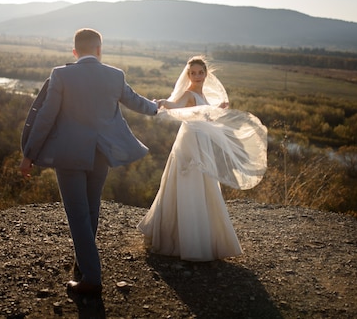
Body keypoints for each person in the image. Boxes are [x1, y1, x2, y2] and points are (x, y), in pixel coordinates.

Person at [20, 28, 159, 295]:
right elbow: (137, 102)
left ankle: (92, 277)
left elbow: (46, 117)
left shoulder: (61, 74)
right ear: (99, 50)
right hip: (102, 154)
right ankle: (85, 261)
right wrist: (157, 106)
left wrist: (29, 154)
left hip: (69, 155)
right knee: (91, 209)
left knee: (77, 213)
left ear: (75, 51)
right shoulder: (115, 75)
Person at [137, 56, 268, 262]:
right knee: (189, 181)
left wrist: (218, 110)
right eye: (193, 73)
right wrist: (163, 103)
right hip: (190, 142)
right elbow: (175, 104)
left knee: (204, 181)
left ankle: (203, 238)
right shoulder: (189, 94)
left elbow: (204, 116)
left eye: (200, 73)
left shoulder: (203, 94)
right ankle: (187, 241)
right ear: (187, 75)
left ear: (206, 74)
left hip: (202, 141)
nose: (197, 76)